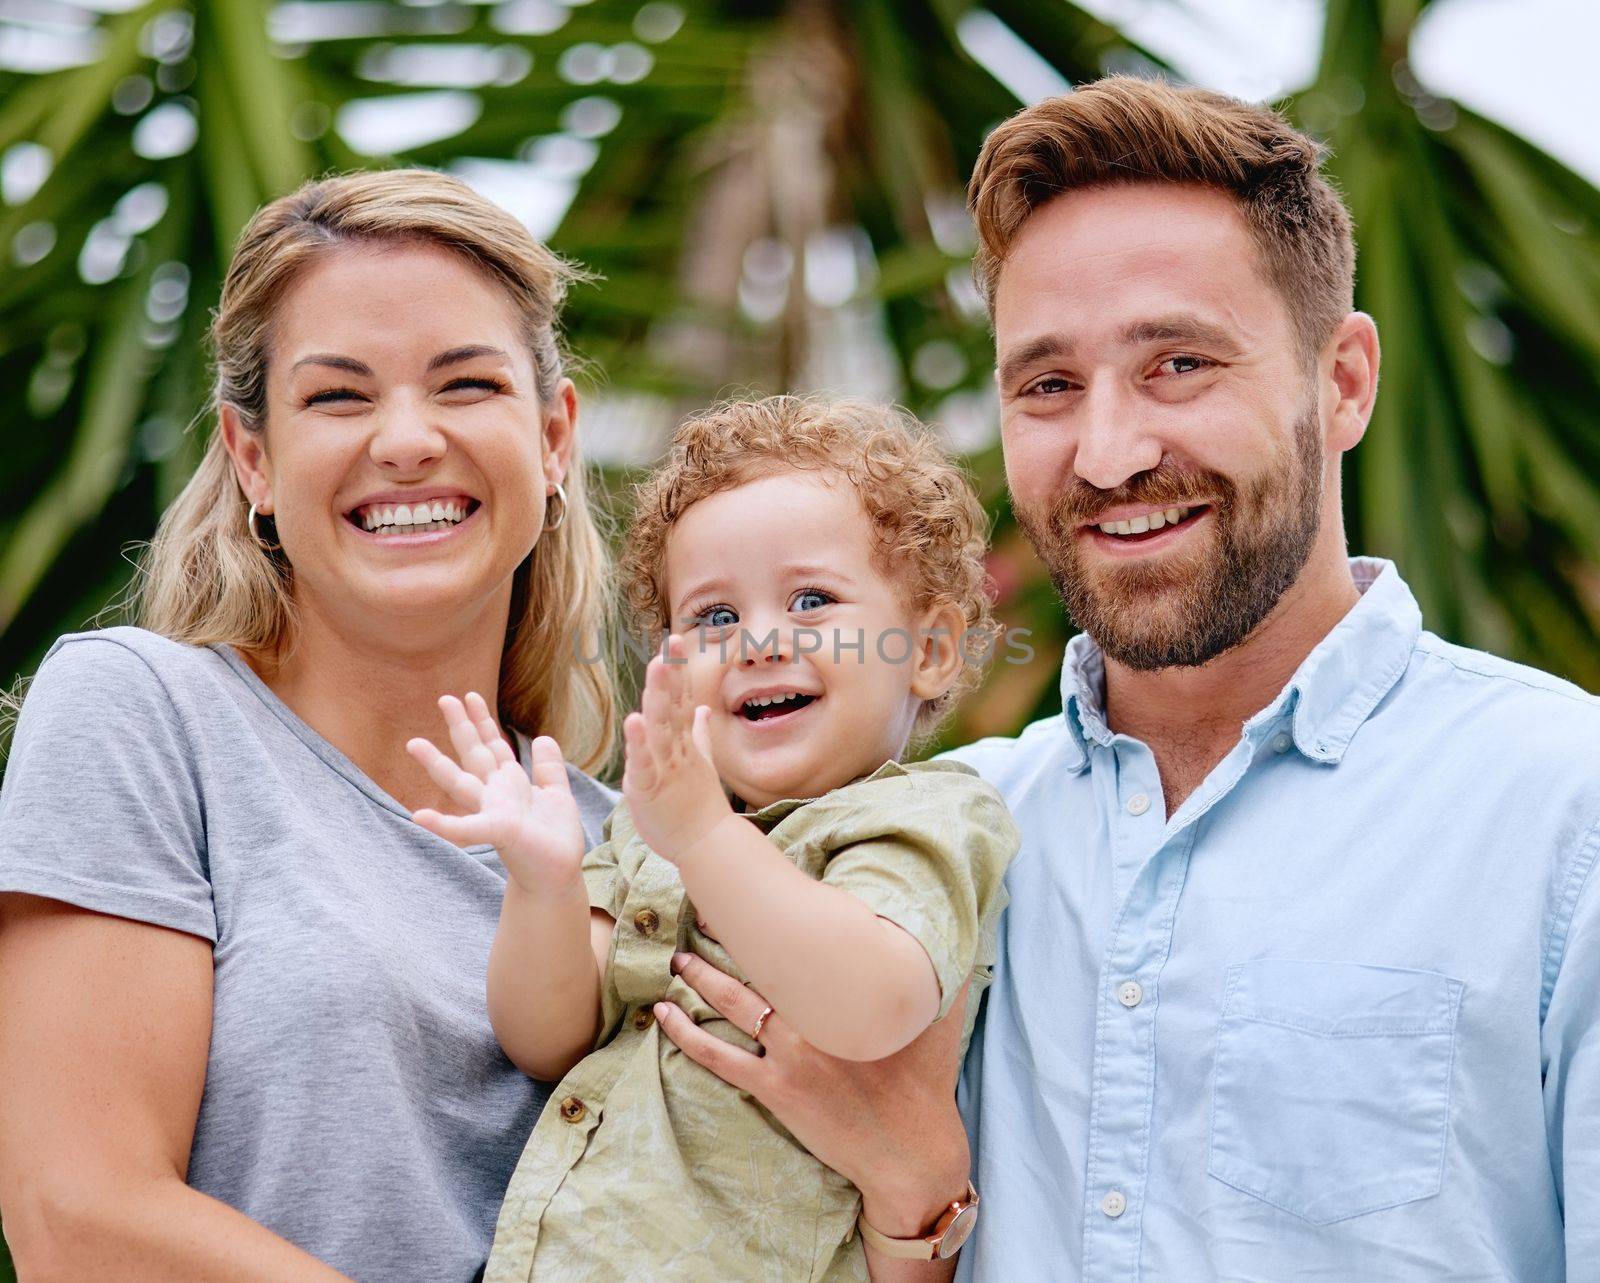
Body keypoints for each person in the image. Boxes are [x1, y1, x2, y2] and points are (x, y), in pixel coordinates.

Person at [652, 76, 1600, 1282]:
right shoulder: (916, 845)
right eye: (1047, 386)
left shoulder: (1563, 810)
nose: (1106, 454)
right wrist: (916, 1202)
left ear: (1342, 381)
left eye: (1179, 364)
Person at [0, 169, 629, 1281]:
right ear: (254, 457)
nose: (405, 440)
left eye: (465, 383)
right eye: (338, 397)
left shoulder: (642, 845)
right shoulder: (148, 718)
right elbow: (79, 1215)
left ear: (553, 436)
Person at [406, 396, 1017, 1282]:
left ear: (928, 648)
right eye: (715, 617)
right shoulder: (658, 824)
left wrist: (700, 836)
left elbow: (871, 1003)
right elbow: (546, 1036)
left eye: (812, 599)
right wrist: (544, 886)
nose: (759, 640)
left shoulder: (924, 816)